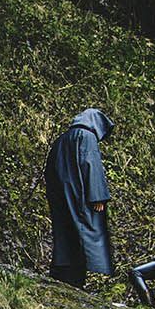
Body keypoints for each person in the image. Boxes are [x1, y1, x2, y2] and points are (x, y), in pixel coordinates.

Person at [44, 108, 116, 287]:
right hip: (80, 197)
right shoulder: (87, 136)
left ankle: (64, 273)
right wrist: (97, 196)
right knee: (85, 234)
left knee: (66, 234)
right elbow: (91, 165)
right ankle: (81, 276)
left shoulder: (62, 139)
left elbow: (50, 169)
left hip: (62, 196)